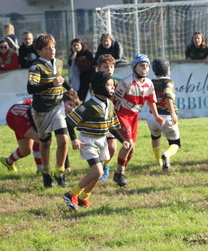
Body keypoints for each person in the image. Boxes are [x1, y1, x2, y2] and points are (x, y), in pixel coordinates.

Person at [64, 71, 129, 210]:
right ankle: (72, 194)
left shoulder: (110, 105)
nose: (113, 88)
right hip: (88, 141)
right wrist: (74, 139)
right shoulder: (88, 106)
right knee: (98, 171)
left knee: (98, 173)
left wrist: (122, 139)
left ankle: (84, 196)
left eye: (113, 85)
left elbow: (111, 126)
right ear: (100, 86)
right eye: (110, 85)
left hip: (102, 141)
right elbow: (69, 122)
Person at [27, 33, 77, 188]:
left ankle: (60, 173)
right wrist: (51, 84)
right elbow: (30, 88)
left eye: (53, 47)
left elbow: (60, 78)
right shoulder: (36, 67)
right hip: (41, 110)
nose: (52, 50)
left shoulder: (59, 62)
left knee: (63, 139)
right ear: (40, 52)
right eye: (48, 48)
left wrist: (70, 89)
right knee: (46, 142)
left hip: (57, 106)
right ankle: (46, 173)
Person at [112, 54, 165, 187]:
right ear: (134, 67)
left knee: (132, 148)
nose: (145, 68)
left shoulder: (149, 83)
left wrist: (157, 116)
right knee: (128, 144)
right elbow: (113, 100)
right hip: (122, 114)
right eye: (141, 65)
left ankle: (119, 172)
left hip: (134, 116)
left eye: (147, 66)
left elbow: (151, 101)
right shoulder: (126, 82)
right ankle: (119, 173)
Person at [0, 93, 79, 173]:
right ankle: (41, 170)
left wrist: (67, 165)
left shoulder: (60, 112)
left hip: (24, 116)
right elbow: (30, 111)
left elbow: (62, 141)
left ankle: (8, 161)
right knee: (41, 138)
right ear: (61, 101)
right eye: (70, 104)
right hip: (16, 115)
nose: (71, 109)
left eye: (74, 107)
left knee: (26, 150)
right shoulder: (50, 108)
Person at [148, 58, 181, 172]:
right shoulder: (168, 82)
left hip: (153, 117)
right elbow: (168, 96)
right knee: (175, 143)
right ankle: (166, 154)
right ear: (168, 70)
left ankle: (158, 162)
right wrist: (172, 113)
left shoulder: (151, 82)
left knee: (155, 137)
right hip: (166, 116)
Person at [95, 54, 120, 182]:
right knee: (101, 146)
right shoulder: (96, 82)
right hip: (99, 119)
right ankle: (98, 166)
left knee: (112, 147)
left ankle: (106, 167)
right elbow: (102, 99)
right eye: (105, 67)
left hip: (111, 119)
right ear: (99, 68)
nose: (109, 69)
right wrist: (113, 97)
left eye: (111, 66)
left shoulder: (116, 82)